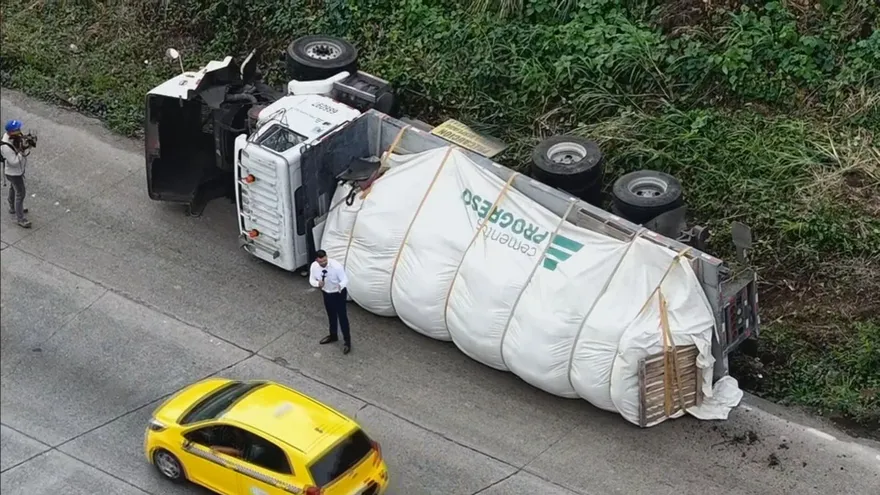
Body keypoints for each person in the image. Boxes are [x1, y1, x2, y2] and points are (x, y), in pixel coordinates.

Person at [309, 249, 352, 354]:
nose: (324, 263)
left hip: (338, 293)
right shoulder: (314, 266)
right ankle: (333, 335)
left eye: (325, 260)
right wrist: (317, 284)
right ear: (317, 260)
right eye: (321, 262)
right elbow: (311, 280)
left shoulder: (336, 267)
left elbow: (345, 279)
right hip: (326, 292)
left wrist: (340, 286)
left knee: (342, 317)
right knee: (331, 314)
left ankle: (347, 342)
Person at [1, 119, 31, 228]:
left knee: (13, 188)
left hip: (15, 172)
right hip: (13, 173)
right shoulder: (5, 146)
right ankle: (20, 218)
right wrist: (21, 151)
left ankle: (12, 207)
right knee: (21, 193)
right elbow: (14, 162)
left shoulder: (12, 137)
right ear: (10, 132)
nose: (19, 131)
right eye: (16, 130)